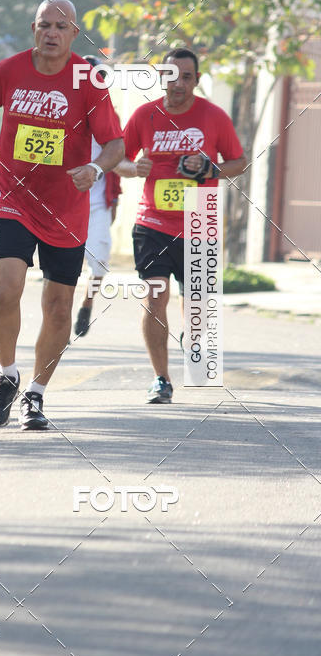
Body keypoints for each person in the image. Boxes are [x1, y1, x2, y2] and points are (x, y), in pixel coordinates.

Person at [0, 0, 124, 430]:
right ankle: (8, 375)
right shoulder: (9, 70)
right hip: (14, 198)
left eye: (61, 26)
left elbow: (115, 145)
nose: (51, 32)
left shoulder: (88, 81)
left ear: (73, 34)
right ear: (33, 28)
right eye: (44, 24)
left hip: (66, 208)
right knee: (5, 286)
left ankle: (35, 394)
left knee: (57, 307)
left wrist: (94, 167)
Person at [118, 48, 247, 404]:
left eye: (186, 77)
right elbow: (119, 158)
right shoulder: (145, 116)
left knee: (197, 309)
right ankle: (161, 379)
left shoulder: (213, 116)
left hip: (200, 218)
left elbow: (240, 161)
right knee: (155, 296)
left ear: (197, 80)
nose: (179, 84)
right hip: (153, 222)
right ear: (162, 78)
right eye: (172, 76)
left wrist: (210, 169)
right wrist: (133, 169)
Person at [74, 55, 122, 337]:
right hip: (66, 200)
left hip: (98, 201)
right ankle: (60, 308)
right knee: (63, 264)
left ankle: (87, 304)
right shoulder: (64, 110)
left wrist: (115, 198)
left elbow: (119, 158)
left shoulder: (110, 115)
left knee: (100, 259)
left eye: (100, 79)